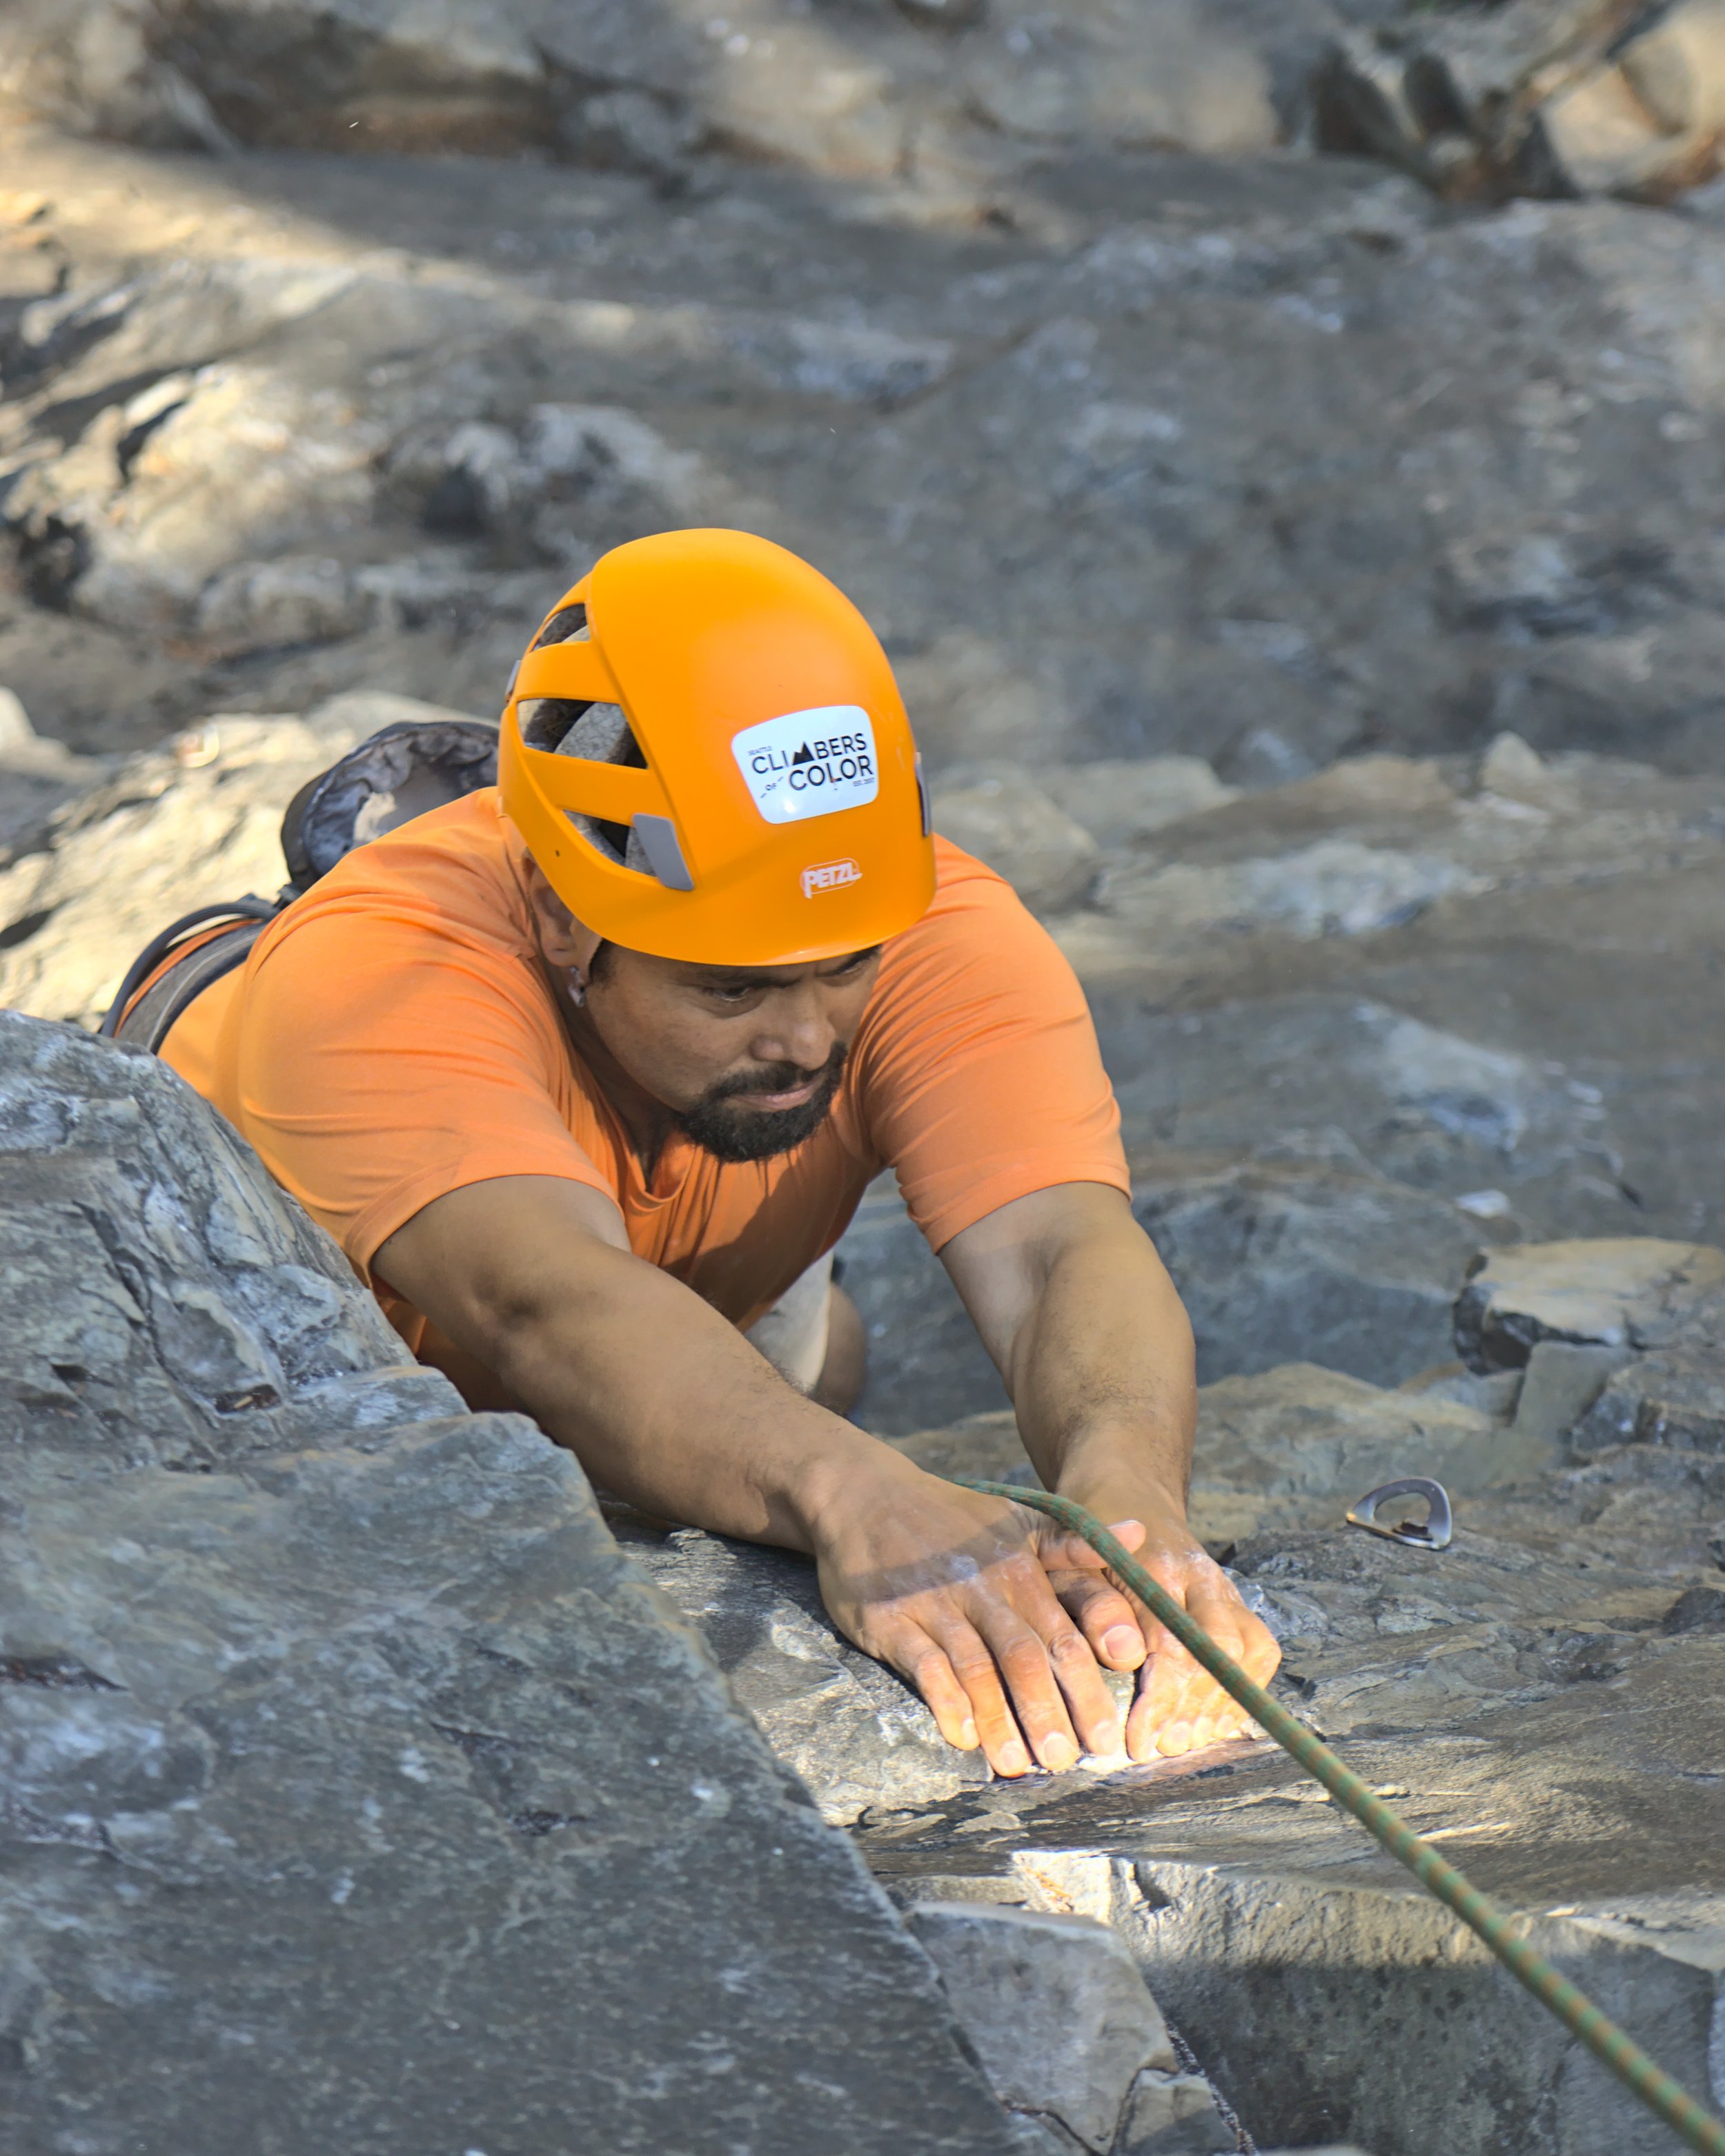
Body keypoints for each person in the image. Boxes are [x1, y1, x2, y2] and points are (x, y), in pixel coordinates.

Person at [161, 527, 1279, 1776]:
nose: (807, 1037)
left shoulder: (933, 924)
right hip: (366, 1326)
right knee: (770, 1419)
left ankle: (782, 1328)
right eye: (731, 988)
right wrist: (853, 1493)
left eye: (845, 967)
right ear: (559, 916)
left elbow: (1060, 1244)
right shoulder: (380, 973)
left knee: (818, 1366)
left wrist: (1133, 1505)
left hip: (671, 1271)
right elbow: (545, 1308)